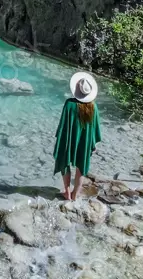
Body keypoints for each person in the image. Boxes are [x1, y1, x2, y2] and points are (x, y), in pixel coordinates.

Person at [53, 71, 102, 200]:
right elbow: (95, 128)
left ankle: (67, 191)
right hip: (84, 142)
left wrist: (60, 138)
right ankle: (75, 194)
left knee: (65, 161)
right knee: (82, 164)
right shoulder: (93, 107)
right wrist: (93, 144)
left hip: (69, 140)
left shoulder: (69, 104)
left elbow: (63, 125)